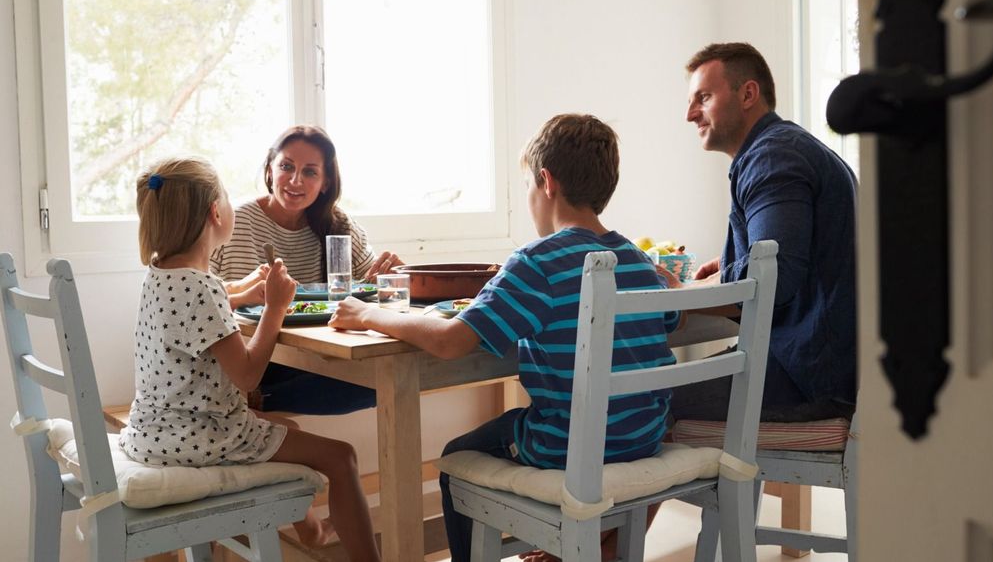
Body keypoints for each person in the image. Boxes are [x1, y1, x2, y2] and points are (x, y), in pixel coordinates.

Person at [328, 114, 682, 562]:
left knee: (457, 458)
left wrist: (370, 314)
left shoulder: (537, 260)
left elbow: (450, 342)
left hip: (570, 449)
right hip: (643, 438)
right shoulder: (636, 259)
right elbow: (672, 318)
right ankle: (574, 549)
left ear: (546, 182)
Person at [121, 157, 380, 561]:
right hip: (200, 438)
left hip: (154, 431)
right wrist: (276, 308)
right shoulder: (201, 288)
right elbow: (246, 376)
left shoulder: (162, 273)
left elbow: (199, 304)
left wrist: (239, 292)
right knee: (341, 456)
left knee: (283, 424)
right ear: (216, 212)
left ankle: (311, 533)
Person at [673, 42, 857, 422]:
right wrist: (727, 268)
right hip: (828, 368)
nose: (690, 114)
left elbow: (774, 277)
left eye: (703, 98)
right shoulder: (789, 147)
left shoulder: (771, 157)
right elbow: (788, 262)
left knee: (635, 408)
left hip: (808, 377)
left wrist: (680, 295)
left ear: (748, 94)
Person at [210, 125, 400, 415]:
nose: (295, 180)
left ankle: (256, 401)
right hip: (247, 358)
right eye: (286, 166)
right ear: (270, 171)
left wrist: (391, 276)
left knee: (387, 381)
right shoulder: (232, 221)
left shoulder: (338, 226)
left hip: (315, 357)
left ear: (325, 182)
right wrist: (245, 289)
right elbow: (195, 293)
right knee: (383, 383)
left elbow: (371, 284)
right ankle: (246, 399)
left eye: (310, 172)